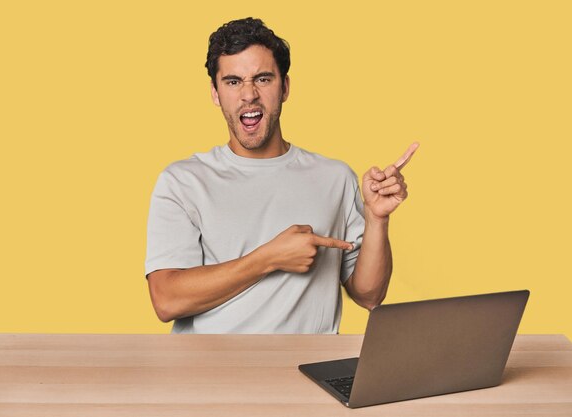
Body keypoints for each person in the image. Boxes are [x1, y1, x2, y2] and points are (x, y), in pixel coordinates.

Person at [145, 17, 418, 333]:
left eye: (262, 79)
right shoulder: (182, 182)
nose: (249, 95)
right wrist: (267, 259)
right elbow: (166, 300)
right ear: (215, 93)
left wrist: (376, 219)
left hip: (309, 371)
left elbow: (370, 295)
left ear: (285, 87)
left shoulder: (335, 177)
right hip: (213, 375)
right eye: (233, 82)